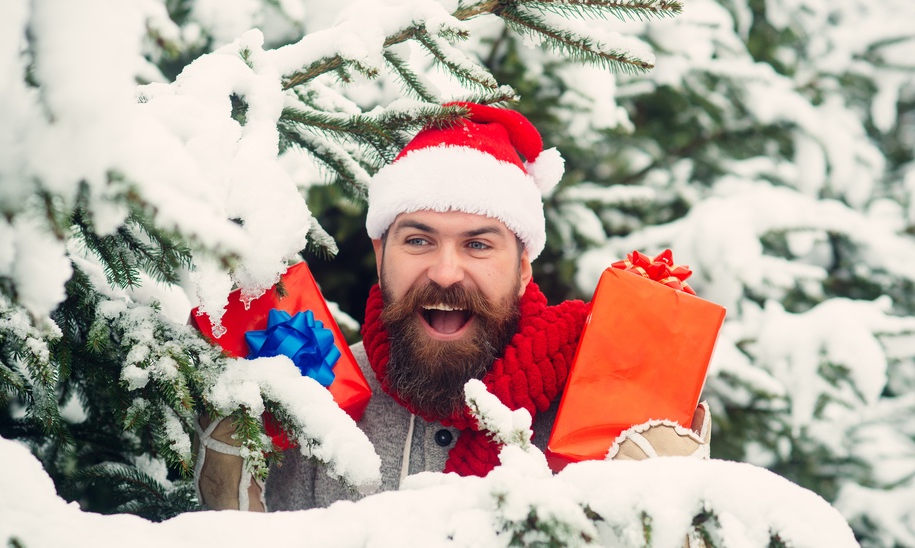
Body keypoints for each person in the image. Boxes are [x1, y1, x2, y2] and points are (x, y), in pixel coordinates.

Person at [196, 102, 711, 512]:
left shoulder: (602, 408)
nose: (445, 271)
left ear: (524, 265)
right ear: (380, 254)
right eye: (418, 241)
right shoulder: (311, 396)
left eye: (478, 245)